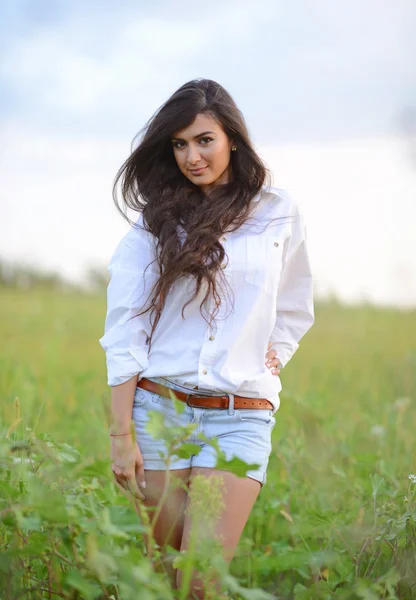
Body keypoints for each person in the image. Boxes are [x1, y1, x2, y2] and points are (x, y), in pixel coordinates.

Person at [99, 78, 314, 597]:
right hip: (159, 415)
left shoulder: (277, 211)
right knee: (168, 580)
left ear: (232, 138)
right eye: (179, 144)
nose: (192, 156)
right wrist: (121, 435)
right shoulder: (154, 225)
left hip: (240, 418)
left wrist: (276, 352)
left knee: (201, 583)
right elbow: (126, 328)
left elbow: (293, 299)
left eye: (204, 140)